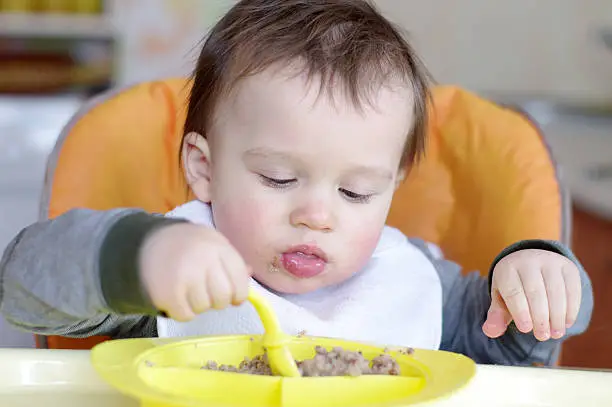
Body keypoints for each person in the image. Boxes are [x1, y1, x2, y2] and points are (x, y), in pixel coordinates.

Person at [0, 0, 592, 366]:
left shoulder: (416, 286)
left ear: (393, 186)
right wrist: (136, 258)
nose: (317, 214)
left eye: (356, 192)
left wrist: (538, 276)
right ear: (203, 169)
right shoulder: (178, 272)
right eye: (279, 178)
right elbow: (22, 286)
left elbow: (514, 355)